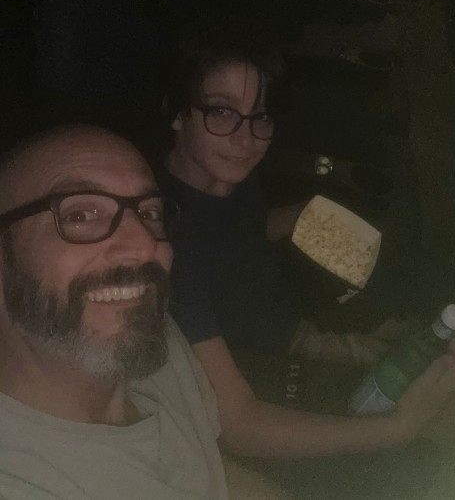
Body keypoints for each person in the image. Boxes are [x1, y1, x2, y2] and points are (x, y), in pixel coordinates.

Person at [159, 24, 455, 499]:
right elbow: (239, 422)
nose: (246, 139)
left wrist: (300, 216)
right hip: (272, 369)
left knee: (449, 343)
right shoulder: (164, 247)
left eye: (260, 117)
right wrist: (397, 427)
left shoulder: (220, 175)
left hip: (294, 318)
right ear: (176, 112)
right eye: (222, 112)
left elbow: (233, 234)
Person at [0, 123, 291, 500]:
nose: (144, 244)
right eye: (80, 215)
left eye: (149, 212)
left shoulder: (157, 339)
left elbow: (209, 472)